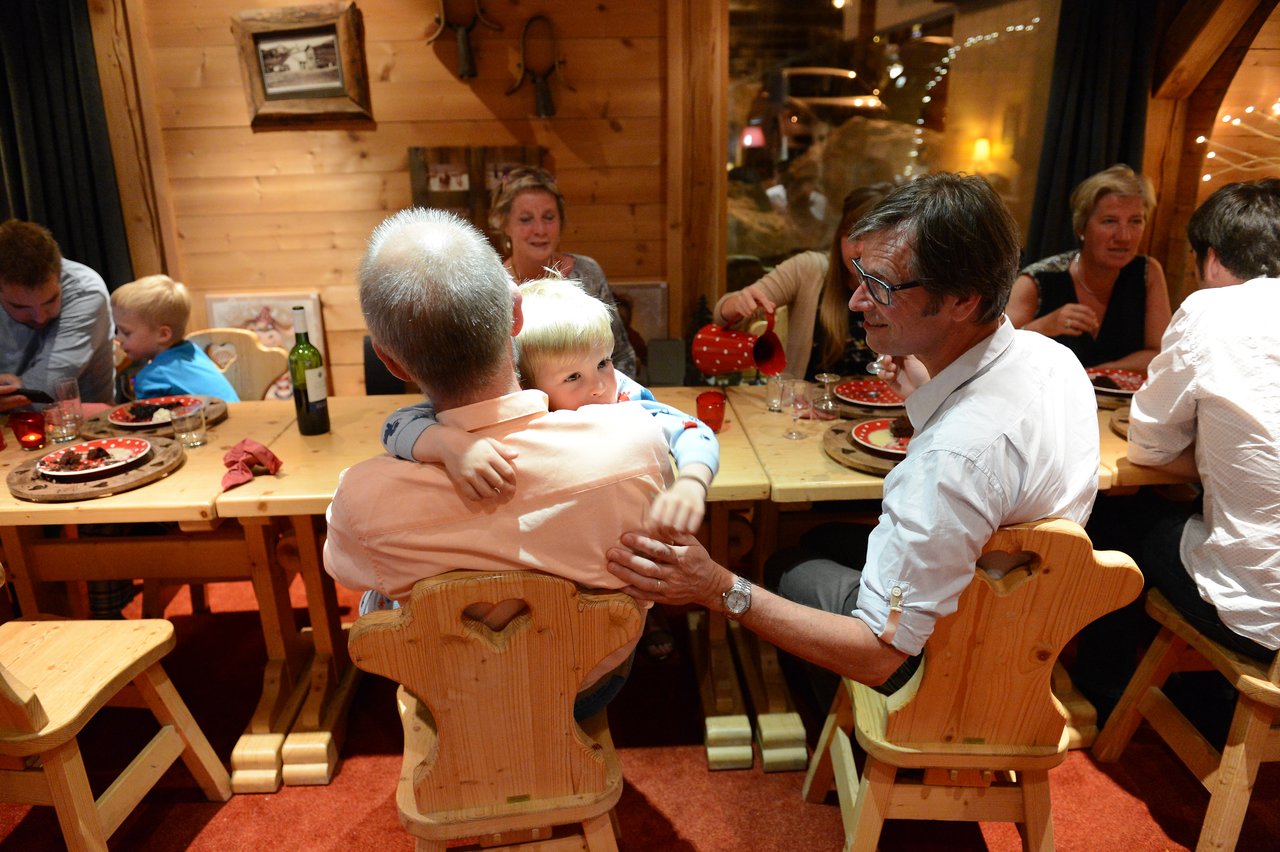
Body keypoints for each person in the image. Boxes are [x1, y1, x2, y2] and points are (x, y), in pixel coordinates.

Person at [604, 173, 1100, 713]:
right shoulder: (1050, 358)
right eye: (860, 274)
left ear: (962, 299)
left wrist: (718, 586)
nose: (860, 299)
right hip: (1022, 624)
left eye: (883, 286)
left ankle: (850, 729)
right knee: (823, 538)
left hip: (945, 665)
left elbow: (880, 655)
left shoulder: (951, 459)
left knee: (783, 566)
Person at [324, 208, 674, 718]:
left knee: (377, 600)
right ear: (517, 313)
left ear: (390, 361)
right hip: (585, 684)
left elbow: (347, 571)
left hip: (453, 699)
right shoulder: (636, 444)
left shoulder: (359, 497)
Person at [380, 276, 717, 531]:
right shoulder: (513, 401)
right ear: (525, 383)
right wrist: (447, 443)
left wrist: (692, 482)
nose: (600, 386)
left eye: (603, 362)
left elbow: (691, 430)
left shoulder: (624, 398)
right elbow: (397, 425)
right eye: (573, 378)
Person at [1125, 177, 1280, 662]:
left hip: (1264, 621)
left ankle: (1107, 695)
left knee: (1125, 524)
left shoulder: (1211, 311)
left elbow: (1148, 449)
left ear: (1210, 258)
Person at [713, 184, 892, 380]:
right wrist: (737, 304)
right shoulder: (809, 269)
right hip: (807, 406)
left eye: (872, 238)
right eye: (852, 235)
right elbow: (721, 315)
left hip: (890, 406)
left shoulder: (907, 285)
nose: (859, 249)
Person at [1008, 164, 1171, 371]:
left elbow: (1160, 353)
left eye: (1135, 221)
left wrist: (1098, 375)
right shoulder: (1038, 279)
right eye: (1109, 221)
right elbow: (995, 350)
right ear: (1081, 227)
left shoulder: (1148, 273)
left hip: (1119, 402)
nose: (1124, 236)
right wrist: (1043, 327)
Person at [488, 166, 638, 378]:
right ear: (504, 225)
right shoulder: (493, 287)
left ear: (561, 222)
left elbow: (621, 355)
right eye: (526, 219)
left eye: (549, 217)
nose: (540, 229)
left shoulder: (587, 273)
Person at [0, 219, 114, 412]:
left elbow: (44, 393)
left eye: (51, 300)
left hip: (85, 431)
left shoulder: (85, 290)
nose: (40, 317)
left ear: (60, 275)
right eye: (20, 307)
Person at [110, 275, 240, 401]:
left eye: (126, 332)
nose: (118, 338)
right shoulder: (192, 351)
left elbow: (155, 421)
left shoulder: (152, 378)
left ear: (163, 335)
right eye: (117, 330)